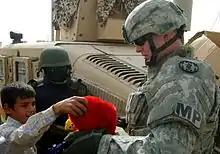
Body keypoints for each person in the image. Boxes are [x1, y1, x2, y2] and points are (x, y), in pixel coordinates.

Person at [58, 0, 220, 153]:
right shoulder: (164, 71)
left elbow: (169, 149)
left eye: (142, 40)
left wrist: (101, 145)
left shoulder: (183, 80)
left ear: (168, 34)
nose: (137, 49)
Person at [27, 46, 89, 152]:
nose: (57, 72)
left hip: (70, 144)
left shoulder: (78, 89)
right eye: (52, 69)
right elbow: (27, 121)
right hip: (41, 143)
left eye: (61, 69)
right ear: (44, 70)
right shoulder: (34, 88)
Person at [0, 82, 87, 154]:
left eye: (33, 104)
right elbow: (24, 135)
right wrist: (55, 110)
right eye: (24, 105)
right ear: (7, 108)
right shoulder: (5, 134)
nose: (31, 109)